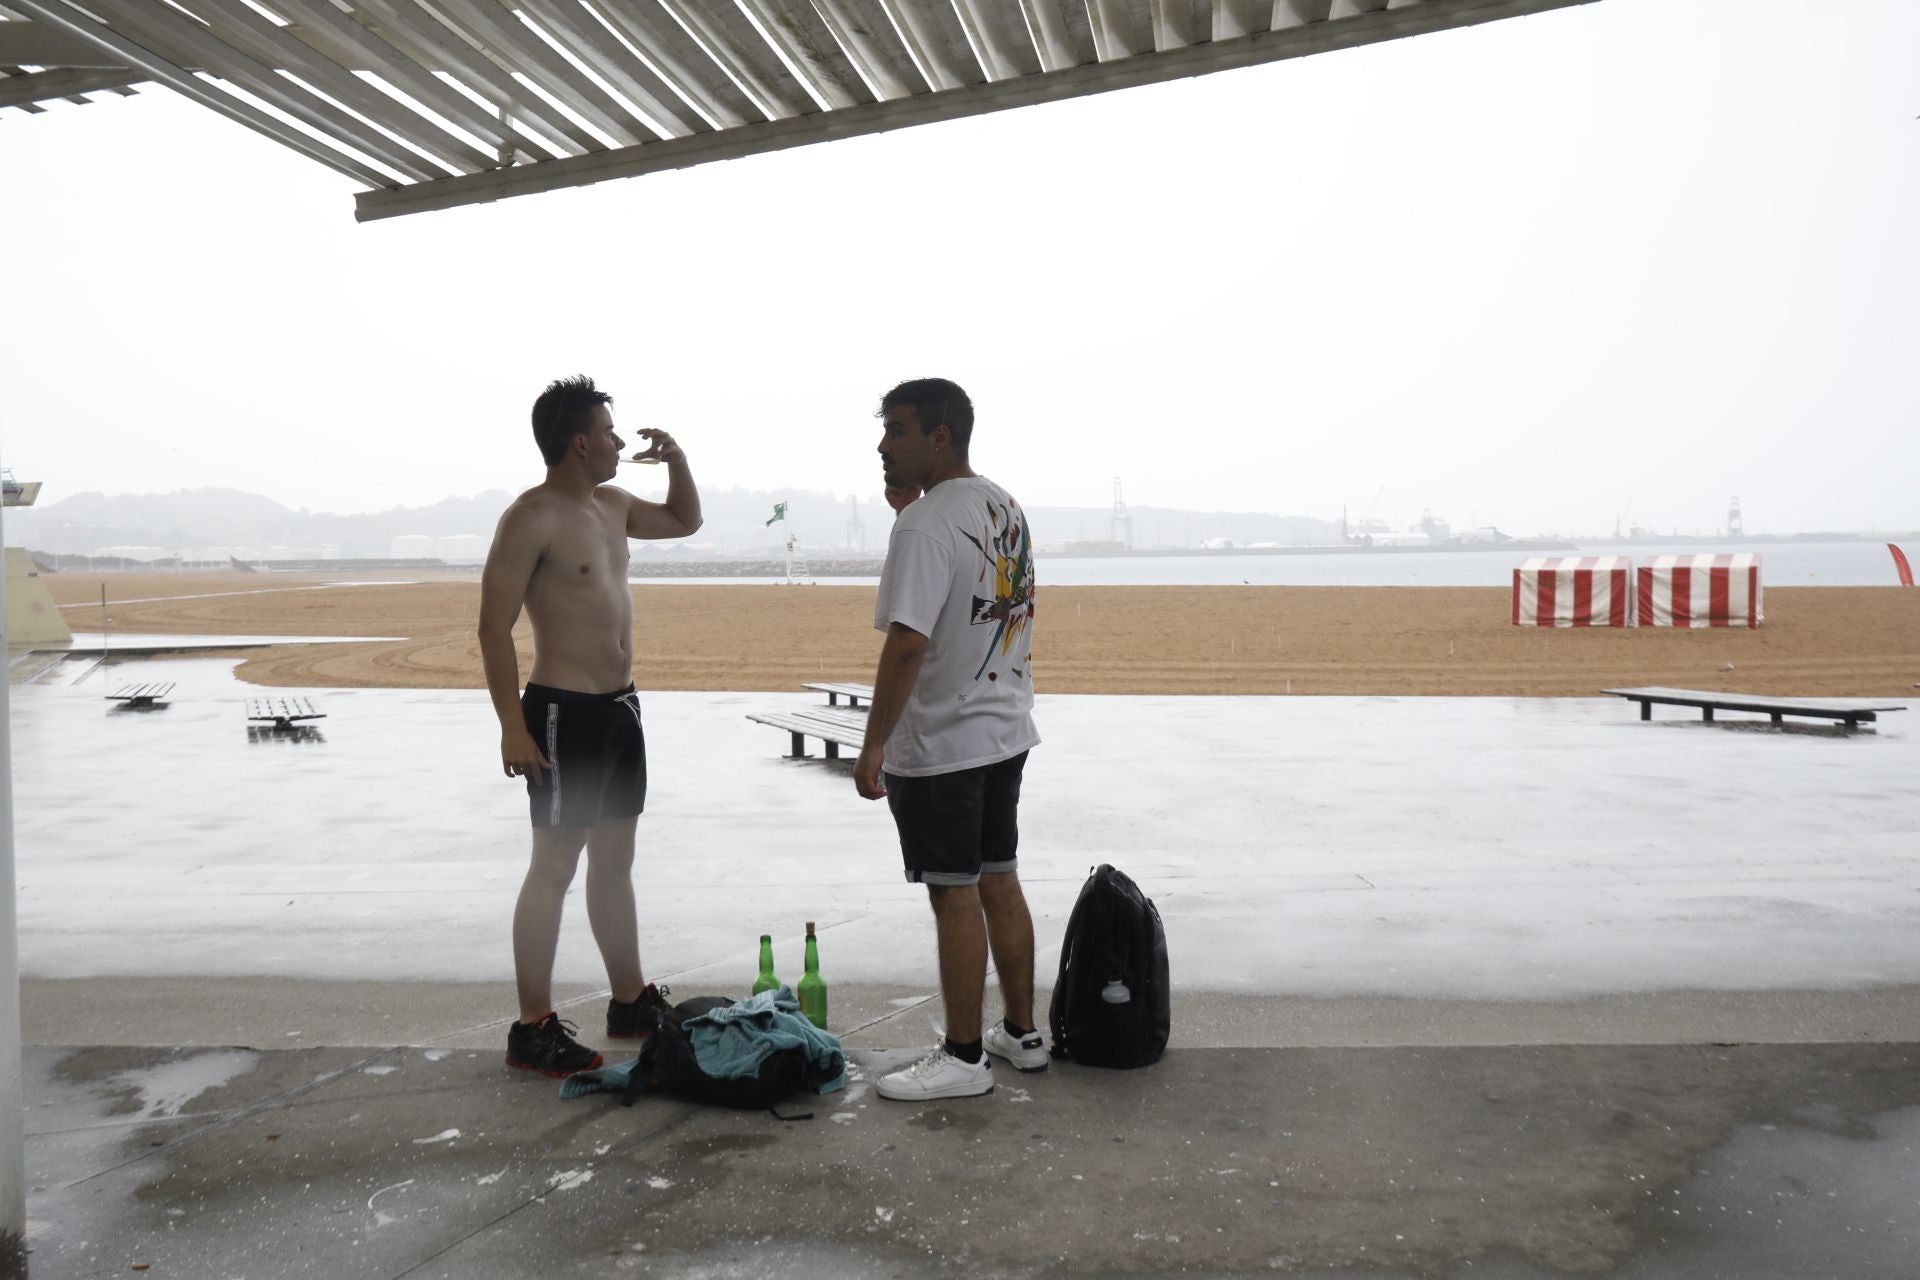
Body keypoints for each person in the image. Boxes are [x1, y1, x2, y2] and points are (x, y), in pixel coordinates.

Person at [478, 374, 702, 1077]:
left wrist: (678, 461)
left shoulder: (611, 505)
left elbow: (685, 522)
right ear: (580, 443)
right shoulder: (531, 517)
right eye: (608, 430)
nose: (617, 440)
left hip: (620, 709)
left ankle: (630, 1000)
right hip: (560, 712)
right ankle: (532, 1025)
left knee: (614, 860)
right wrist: (513, 727)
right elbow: (491, 629)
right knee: (554, 866)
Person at [854, 378, 1044, 1101]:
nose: (882, 445)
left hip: (944, 744)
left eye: (897, 431)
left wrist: (873, 745)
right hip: (1003, 728)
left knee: (954, 893)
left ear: (940, 436)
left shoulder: (926, 525)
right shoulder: (1003, 505)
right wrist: (915, 512)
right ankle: (1020, 1035)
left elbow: (908, 643)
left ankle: (964, 1057)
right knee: (999, 874)